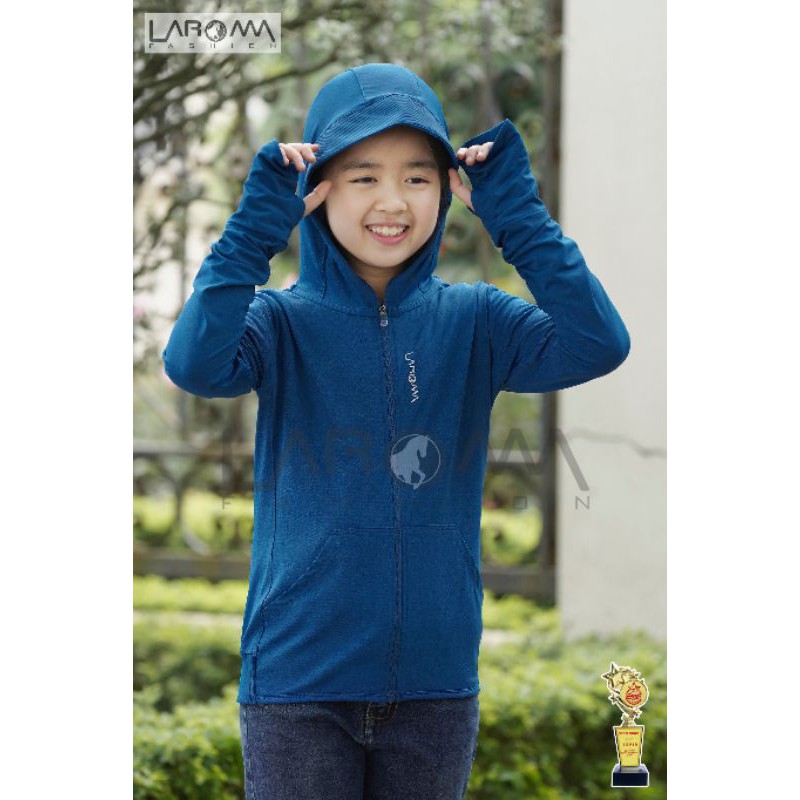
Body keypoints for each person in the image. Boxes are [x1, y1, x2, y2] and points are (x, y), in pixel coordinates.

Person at [162, 62, 630, 800]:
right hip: (298, 687)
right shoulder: (279, 322)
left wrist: (518, 218)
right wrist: (252, 234)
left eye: (417, 177)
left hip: (435, 689)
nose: (392, 201)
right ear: (317, 189)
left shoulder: (477, 319)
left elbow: (598, 343)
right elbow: (194, 363)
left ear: (446, 190)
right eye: (363, 177)